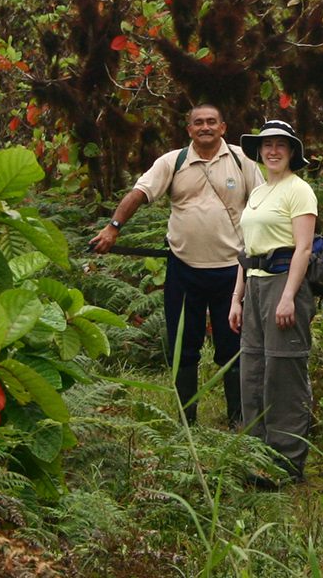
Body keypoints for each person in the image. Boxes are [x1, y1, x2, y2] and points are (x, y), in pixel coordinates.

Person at [92, 103, 261, 427]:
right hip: (184, 269)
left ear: (223, 127)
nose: (205, 127)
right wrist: (113, 228)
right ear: (189, 129)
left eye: (212, 122)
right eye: (198, 123)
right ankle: (187, 420)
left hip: (233, 271)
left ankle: (238, 418)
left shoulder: (242, 161)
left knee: (232, 347)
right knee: (184, 346)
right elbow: (139, 193)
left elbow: (263, 203)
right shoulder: (173, 162)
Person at [227, 118, 319, 483]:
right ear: (259, 152)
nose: (273, 150)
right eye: (267, 145)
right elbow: (246, 251)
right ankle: (256, 458)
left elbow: (303, 248)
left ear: (292, 151)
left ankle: (286, 463)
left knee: (284, 373)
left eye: (281, 144)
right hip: (255, 285)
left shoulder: (299, 190)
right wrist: (237, 298)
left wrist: (289, 297)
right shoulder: (258, 192)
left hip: (285, 283)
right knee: (253, 372)